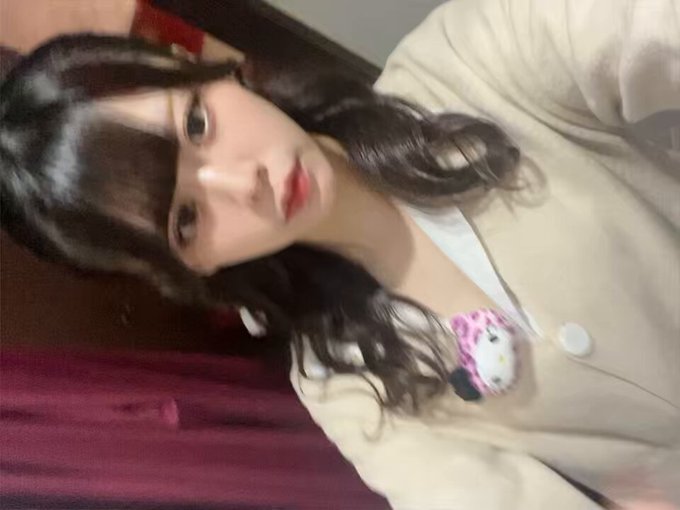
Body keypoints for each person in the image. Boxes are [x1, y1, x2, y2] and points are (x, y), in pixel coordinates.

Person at [0, 0, 678, 508]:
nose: (243, 183)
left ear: (197, 68)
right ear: (192, 267)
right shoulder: (346, 386)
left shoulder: (471, 66)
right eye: (186, 218)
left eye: (197, 124)